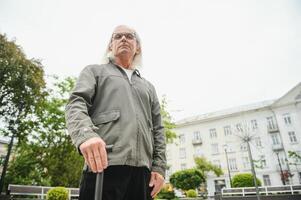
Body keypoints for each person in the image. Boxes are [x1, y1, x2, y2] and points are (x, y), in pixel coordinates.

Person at [65, 25, 166, 200]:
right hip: (103, 165)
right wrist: (86, 135)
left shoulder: (148, 87)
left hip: (143, 174)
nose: (124, 39)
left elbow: (158, 128)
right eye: (117, 36)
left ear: (138, 46)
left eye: (129, 36)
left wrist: (159, 167)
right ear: (110, 45)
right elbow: (76, 103)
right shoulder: (95, 71)